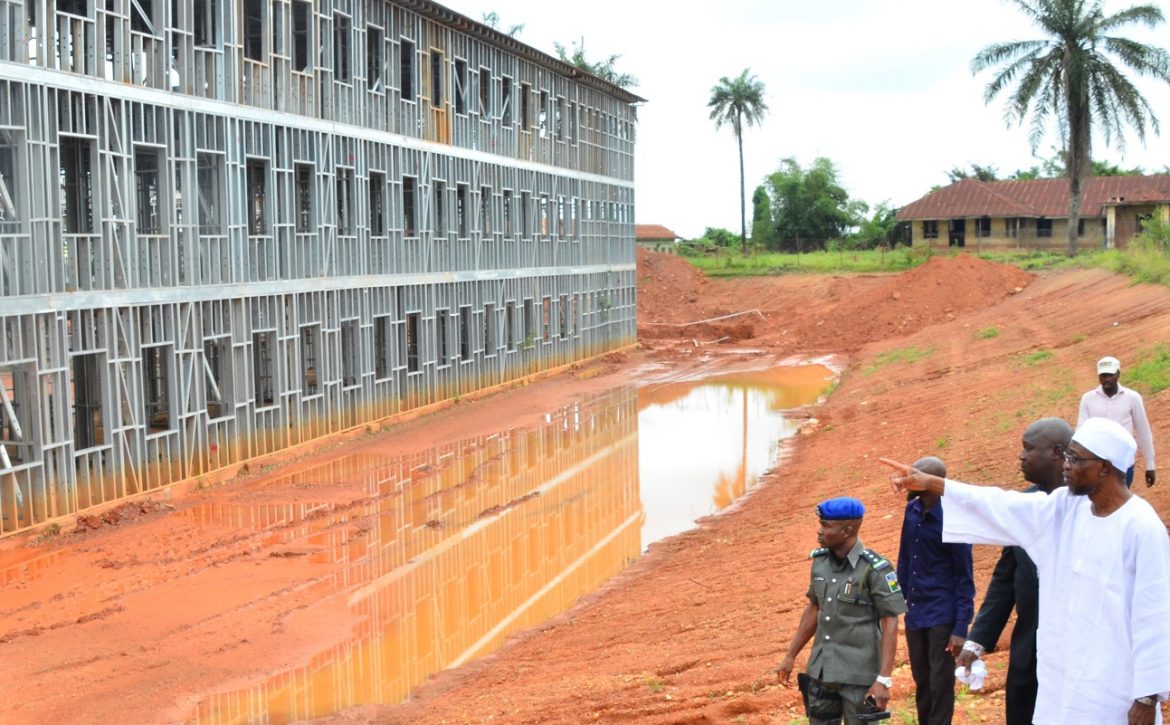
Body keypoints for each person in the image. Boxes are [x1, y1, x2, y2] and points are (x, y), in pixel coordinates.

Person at [882, 418, 1170, 725]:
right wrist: (932, 484)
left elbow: (1154, 617)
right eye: (1067, 457)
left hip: (1112, 686)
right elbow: (1001, 506)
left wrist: (1146, 696)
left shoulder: (1140, 527)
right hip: (1062, 680)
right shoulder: (1065, 508)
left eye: (1075, 459)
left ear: (1104, 467)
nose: (1066, 466)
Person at [955, 417, 1073, 725]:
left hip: (1074, 652)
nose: (1020, 456)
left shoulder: (1087, 508)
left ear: (1057, 453)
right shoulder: (1022, 506)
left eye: (1028, 449)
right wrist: (977, 640)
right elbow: (1005, 580)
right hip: (1028, 651)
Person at [776, 497, 907, 724]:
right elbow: (814, 608)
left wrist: (884, 679)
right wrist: (790, 655)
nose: (819, 532)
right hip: (822, 671)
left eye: (826, 526)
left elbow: (890, 622)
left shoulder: (875, 568)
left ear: (846, 531)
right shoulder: (819, 562)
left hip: (859, 676)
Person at [896, 456, 974, 725]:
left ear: (930, 482)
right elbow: (905, 559)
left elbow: (965, 576)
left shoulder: (954, 519)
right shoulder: (912, 510)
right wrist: (896, 603)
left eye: (914, 474)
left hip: (942, 612)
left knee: (940, 681)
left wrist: (960, 628)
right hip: (915, 610)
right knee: (922, 679)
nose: (908, 478)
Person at [1078, 355, 1156, 487]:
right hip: (1098, 462)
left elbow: (1143, 431)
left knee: (1121, 502)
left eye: (1110, 375)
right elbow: (1081, 431)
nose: (1106, 379)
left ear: (1118, 374)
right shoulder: (1088, 399)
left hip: (1124, 463)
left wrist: (1150, 465)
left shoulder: (1132, 398)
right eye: (1103, 375)